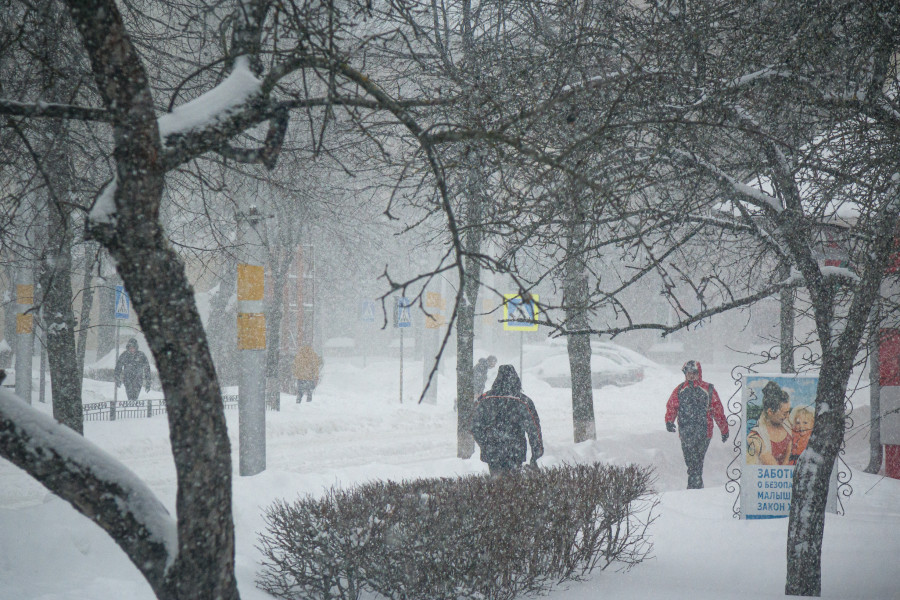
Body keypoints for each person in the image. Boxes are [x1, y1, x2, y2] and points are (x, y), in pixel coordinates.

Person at [664, 359, 729, 489]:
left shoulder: (708, 389)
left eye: (693, 373)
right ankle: (696, 485)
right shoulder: (680, 389)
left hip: (704, 432)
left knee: (697, 460)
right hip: (685, 432)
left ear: (699, 373)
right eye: (688, 373)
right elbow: (672, 406)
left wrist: (724, 429)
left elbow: (718, 411)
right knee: (690, 460)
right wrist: (669, 421)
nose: (691, 375)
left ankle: (694, 486)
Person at [471, 364, 544, 477]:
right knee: (513, 483)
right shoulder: (523, 401)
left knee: (496, 483)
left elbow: (474, 426)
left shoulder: (485, 400)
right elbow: (533, 428)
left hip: (493, 452)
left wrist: (486, 443)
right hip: (515, 450)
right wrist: (536, 453)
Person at [747, 381, 793, 466]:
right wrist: (788, 454)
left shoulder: (790, 426)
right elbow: (774, 469)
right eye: (784, 413)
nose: (788, 416)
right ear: (770, 412)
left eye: (788, 412)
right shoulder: (755, 436)